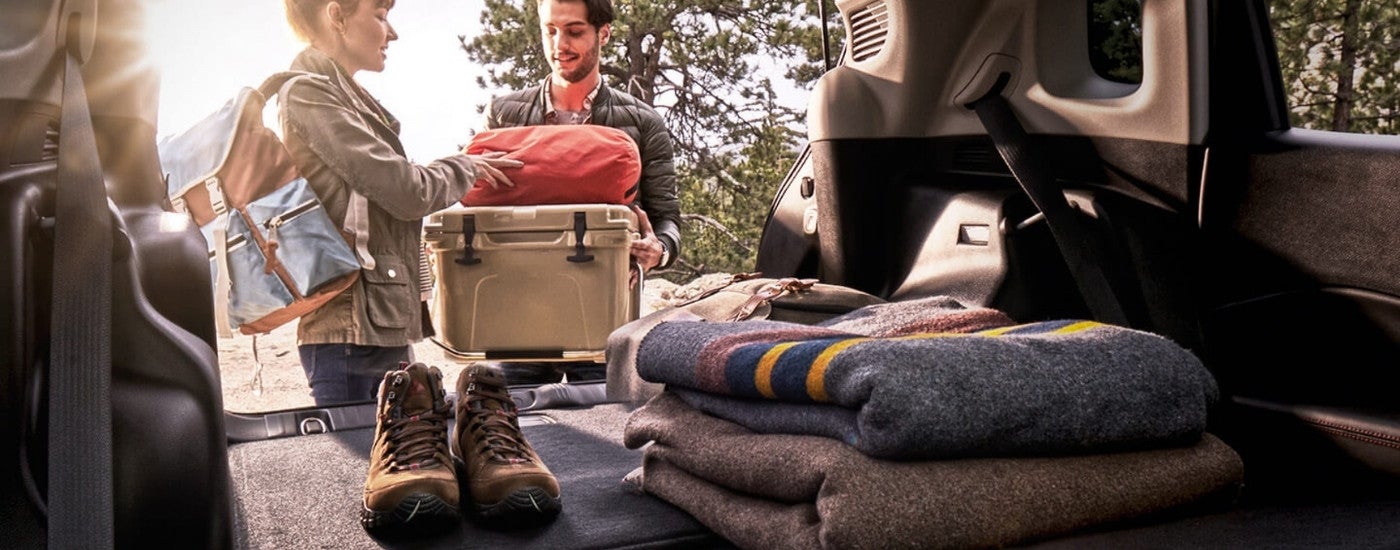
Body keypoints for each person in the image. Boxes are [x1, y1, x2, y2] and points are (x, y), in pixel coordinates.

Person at [280, 0, 519, 406]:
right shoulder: (308, 93)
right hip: (350, 334)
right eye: (379, 15)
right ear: (336, 15)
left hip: (374, 324)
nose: (392, 33)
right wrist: (465, 167)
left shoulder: (340, 94)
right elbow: (406, 192)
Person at [483, 0, 683, 386]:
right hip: (519, 313)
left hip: (602, 318)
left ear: (603, 33)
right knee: (518, 433)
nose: (560, 44)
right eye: (550, 30)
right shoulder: (503, 115)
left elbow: (667, 220)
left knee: (600, 437)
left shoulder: (642, 123)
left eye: (574, 31)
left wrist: (660, 250)